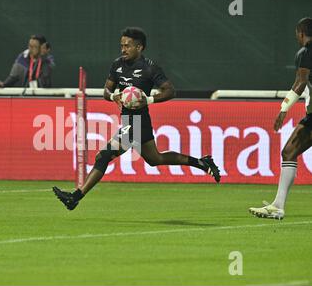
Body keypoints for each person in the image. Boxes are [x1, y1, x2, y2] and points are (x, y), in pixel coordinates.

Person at [52, 27, 221, 211]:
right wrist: (113, 96)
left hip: (138, 122)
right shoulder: (117, 65)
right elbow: (106, 90)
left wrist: (148, 99)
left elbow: (170, 90)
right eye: (122, 45)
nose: (123, 49)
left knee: (104, 155)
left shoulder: (150, 67)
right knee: (155, 159)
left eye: (128, 46)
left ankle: (75, 197)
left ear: (139, 47)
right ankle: (201, 162)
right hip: (130, 121)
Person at [249, 17, 312, 220]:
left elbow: (300, 83)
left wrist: (283, 109)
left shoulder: (306, 53)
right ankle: (277, 205)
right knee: (289, 152)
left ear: (301, 33)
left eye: (297, 33)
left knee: (289, 151)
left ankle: (278, 205)